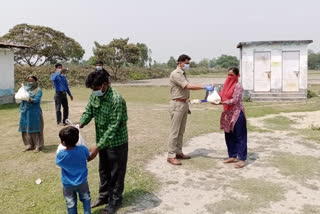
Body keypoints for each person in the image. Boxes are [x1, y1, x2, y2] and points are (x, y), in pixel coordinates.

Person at [79, 70, 128, 214]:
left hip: (117, 142)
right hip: (102, 139)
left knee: (116, 173)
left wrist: (97, 146)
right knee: (104, 171)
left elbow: (114, 126)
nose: (94, 92)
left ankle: (115, 201)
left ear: (105, 84)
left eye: (96, 89)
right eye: (92, 89)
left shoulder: (116, 100)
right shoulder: (94, 95)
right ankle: (104, 197)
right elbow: (89, 111)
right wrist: (80, 124)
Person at [167, 54, 215, 165]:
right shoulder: (176, 74)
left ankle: (178, 152)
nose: (188, 65)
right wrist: (204, 86)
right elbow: (187, 86)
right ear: (180, 63)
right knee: (174, 131)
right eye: (187, 63)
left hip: (184, 104)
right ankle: (171, 155)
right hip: (177, 104)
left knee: (181, 131)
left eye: (189, 63)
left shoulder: (183, 74)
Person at [56, 126, 96, 214]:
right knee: (86, 199)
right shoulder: (83, 149)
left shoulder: (61, 154)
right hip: (82, 181)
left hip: (67, 184)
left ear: (63, 142)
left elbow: (58, 163)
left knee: (70, 203)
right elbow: (88, 157)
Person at [219, 67, 247, 168]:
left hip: (236, 112)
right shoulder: (226, 85)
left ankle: (242, 159)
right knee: (228, 135)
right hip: (227, 113)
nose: (229, 77)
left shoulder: (238, 86)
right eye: (228, 75)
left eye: (231, 75)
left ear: (237, 76)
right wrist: (214, 97)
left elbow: (235, 100)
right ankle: (232, 156)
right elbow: (221, 95)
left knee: (240, 136)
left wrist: (223, 102)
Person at [19, 75, 44, 152]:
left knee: (35, 128)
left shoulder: (38, 90)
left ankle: (38, 146)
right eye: (28, 81)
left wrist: (28, 98)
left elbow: (36, 100)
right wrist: (21, 95)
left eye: (32, 81)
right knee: (25, 128)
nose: (30, 83)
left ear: (35, 81)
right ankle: (28, 145)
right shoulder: (25, 89)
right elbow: (19, 97)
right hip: (25, 111)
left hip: (34, 112)